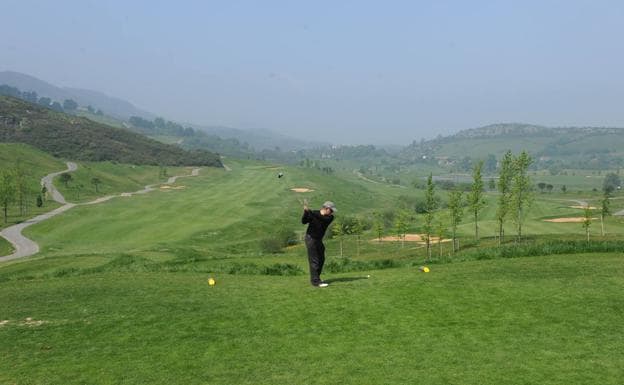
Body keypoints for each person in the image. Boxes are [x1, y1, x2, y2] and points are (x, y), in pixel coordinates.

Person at [301, 200, 336, 287]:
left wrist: (310, 211)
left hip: (318, 239)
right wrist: (305, 212)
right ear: (326, 208)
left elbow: (322, 218)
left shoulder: (330, 217)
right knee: (314, 259)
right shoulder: (314, 213)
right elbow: (304, 221)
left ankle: (317, 278)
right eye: (331, 210)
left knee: (321, 259)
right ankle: (315, 282)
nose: (332, 212)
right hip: (310, 238)